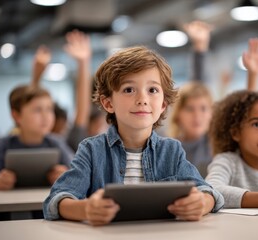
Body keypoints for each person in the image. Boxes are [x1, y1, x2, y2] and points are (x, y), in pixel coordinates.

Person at [43, 46, 224, 226]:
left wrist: (202, 203)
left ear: (163, 105)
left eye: (152, 90)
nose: (142, 99)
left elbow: (207, 192)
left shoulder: (172, 150)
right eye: (129, 89)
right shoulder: (91, 150)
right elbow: (57, 199)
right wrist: (86, 208)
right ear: (108, 103)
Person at [0, 85, 73, 190]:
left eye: (49, 109)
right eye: (37, 110)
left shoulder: (57, 142)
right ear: (17, 116)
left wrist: (65, 175)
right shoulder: (3, 144)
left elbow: (77, 172)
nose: (46, 116)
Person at [64, 30, 109, 152]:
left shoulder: (111, 138)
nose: (101, 127)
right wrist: (83, 63)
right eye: (99, 124)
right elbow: (83, 109)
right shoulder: (79, 139)